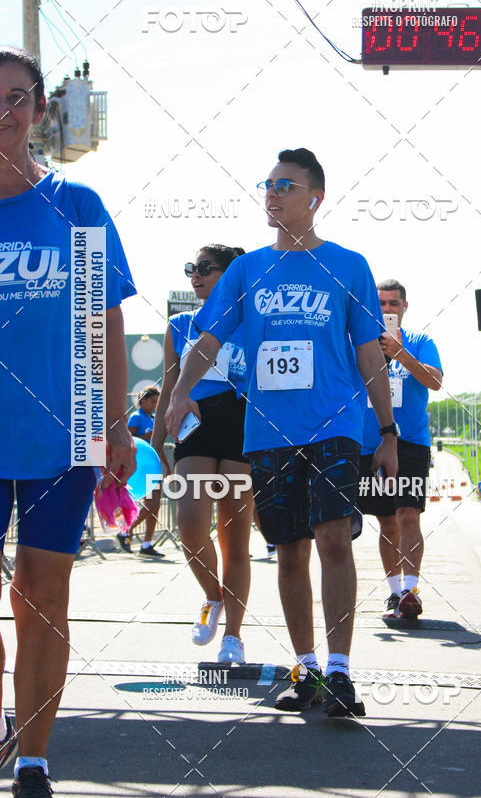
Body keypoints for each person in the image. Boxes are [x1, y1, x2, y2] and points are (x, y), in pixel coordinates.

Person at [165, 148, 398, 717]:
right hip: (267, 432)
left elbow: (369, 352)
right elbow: (209, 338)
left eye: (285, 185)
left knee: (333, 539)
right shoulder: (246, 271)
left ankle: (341, 672)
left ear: (315, 196)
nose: (272, 193)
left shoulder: (348, 266)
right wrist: (180, 389)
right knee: (289, 550)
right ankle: (309, 668)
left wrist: (386, 429)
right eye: (267, 184)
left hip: (335, 424)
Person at [0, 47, 136, 796]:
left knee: (42, 592)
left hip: (66, 432)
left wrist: (115, 425)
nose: (4, 115)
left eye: (17, 99)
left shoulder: (75, 206)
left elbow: (102, 320)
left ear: (41, 111)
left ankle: (34, 761)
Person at [152, 245, 252, 664]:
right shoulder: (179, 324)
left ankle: (233, 637)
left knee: (235, 539)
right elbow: (168, 386)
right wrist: (154, 443)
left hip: (241, 423)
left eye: (205, 269)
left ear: (229, 275)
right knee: (191, 526)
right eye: (191, 268)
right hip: (194, 424)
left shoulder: (252, 320)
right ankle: (214, 598)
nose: (195, 276)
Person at [356, 280, 443, 620]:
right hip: (370, 442)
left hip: (411, 442)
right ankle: (394, 593)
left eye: (394, 303)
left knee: (409, 514)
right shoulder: (360, 345)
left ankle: (411, 590)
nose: (387, 309)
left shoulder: (420, 342)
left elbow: (435, 381)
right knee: (387, 520)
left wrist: (399, 353)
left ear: (405, 307)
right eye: (381, 304)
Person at [117, 387, 171, 558]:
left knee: (155, 507)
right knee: (152, 505)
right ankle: (126, 530)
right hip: (141, 468)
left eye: (157, 401)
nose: (155, 405)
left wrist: (166, 465)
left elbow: (156, 447)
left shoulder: (154, 418)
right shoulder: (136, 417)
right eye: (152, 401)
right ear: (142, 401)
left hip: (153, 466)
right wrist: (150, 435)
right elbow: (130, 439)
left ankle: (146, 544)